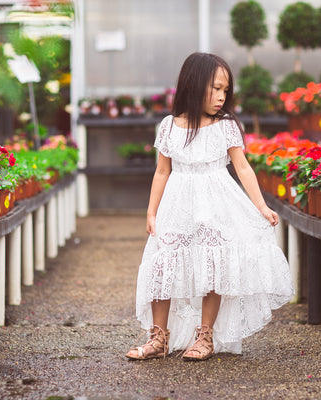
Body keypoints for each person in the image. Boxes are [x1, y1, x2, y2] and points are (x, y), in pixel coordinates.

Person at [125, 53, 294, 361]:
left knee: (213, 266)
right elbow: (162, 171)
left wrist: (261, 206)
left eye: (225, 91)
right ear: (193, 85)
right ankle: (158, 337)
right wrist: (151, 211)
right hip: (177, 203)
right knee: (164, 262)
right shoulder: (169, 127)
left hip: (216, 202)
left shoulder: (225, 126)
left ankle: (205, 335)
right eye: (215, 88)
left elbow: (243, 168)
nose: (221, 97)